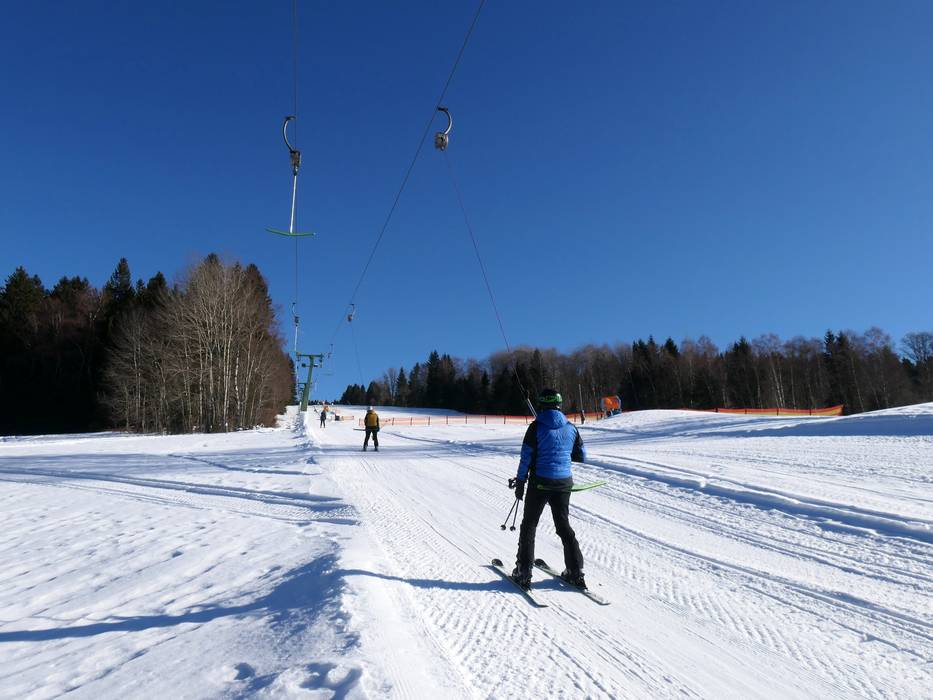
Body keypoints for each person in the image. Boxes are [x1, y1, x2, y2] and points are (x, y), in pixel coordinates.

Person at [511, 388, 587, 590]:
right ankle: (575, 571)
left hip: (540, 483)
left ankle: (523, 571)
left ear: (542, 405)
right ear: (559, 405)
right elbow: (582, 455)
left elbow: (526, 457)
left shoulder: (535, 427)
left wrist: (520, 482)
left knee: (529, 525)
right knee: (563, 526)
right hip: (564, 483)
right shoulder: (571, 427)